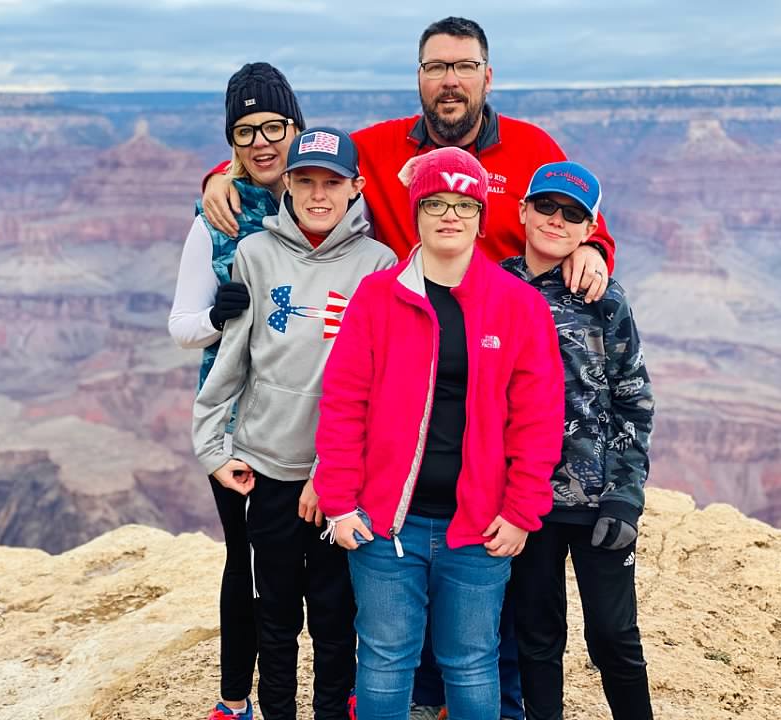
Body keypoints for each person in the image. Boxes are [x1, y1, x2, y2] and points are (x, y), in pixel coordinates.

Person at [313, 147, 565, 720]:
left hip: (477, 528)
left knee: (472, 663)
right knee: (383, 660)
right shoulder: (377, 299)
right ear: (416, 211)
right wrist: (338, 503)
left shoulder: (518, 306)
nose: (449, 216)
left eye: (463, 204)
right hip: (383, 525)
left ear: (480, 215)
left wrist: (524, 508)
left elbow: (538, 418)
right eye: (434, 203)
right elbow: (344, 405)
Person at [192, 125, 396, 720]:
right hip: (269, 470)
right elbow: (231, 362)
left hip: (338, 484)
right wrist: (212, 449)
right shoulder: (256, 254)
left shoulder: (377, 265)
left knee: (335, 619)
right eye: (305, 180)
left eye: (332, 183)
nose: (317, 195)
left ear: (355, 187)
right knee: (276, 617)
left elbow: (379, 388)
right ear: (287, 182)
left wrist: (332, 475)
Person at [201, 17, 615, 306]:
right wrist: (225, 173)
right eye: (436, 68)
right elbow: (308, 161)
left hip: (502, 339)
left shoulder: (532, 147)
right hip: (410, 336)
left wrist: (591, 251)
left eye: (465, 67)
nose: (450, 81)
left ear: (487, 78)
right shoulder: (378, 146)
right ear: (419, 78)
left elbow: (586, 219)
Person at [169, 61, 304, 720]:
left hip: (317, 417)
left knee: (327, 562)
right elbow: (180, 327)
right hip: (237, 425)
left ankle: (350, 690)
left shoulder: (328, 199)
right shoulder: (215, 215)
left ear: (295, 126)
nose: (261, 141)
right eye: (244, 131)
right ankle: (235, 699)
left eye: (273, 125)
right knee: (247, 561)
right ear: (230, 143)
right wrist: (217, 318)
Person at [502, 161, 655, 720]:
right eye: (545, 206)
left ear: (590, 229)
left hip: (597, 503)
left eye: (572, 214)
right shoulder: (491, 285)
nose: (555, 220)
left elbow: (632, 401)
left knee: (614, 635)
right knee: (537, 638)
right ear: (522, 210)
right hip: (525, 502)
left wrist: (625, 496)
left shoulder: (605, 299)